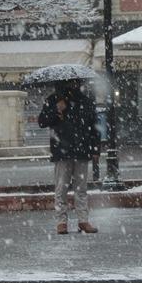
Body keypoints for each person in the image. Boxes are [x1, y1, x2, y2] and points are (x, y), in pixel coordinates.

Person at [38, 79, 100, 235]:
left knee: (81, 188)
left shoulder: (85, 101)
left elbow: (93, 126)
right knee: (61, 188)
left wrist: (95, 148)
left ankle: (83, 220)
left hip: (81, 150)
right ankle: (61, 222)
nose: (72, 86)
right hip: (62, 151)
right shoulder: (53, 100)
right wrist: (56, 111)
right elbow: (42, 121)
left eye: (74, 83)